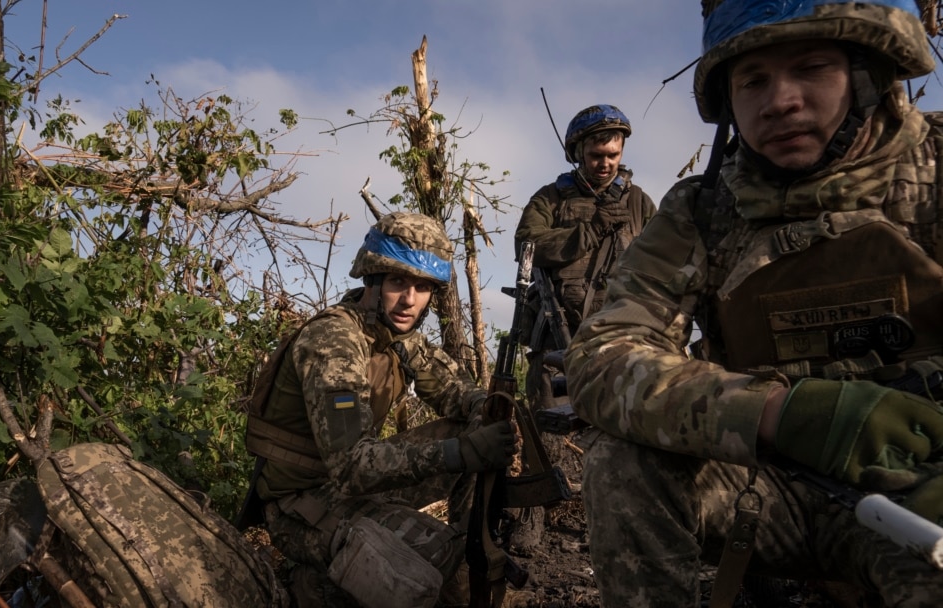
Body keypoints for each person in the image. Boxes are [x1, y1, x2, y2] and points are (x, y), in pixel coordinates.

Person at [565, 1, 943, 606]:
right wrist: (773, 413)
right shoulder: (702, 208)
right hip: (773, 486)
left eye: (813, 67)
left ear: (866, 72)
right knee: (622, 462)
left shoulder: (935, 171)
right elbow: (601, 356)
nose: (780, 101)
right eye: (753, 80)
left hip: (918, 495)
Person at [241, 212, 520, 608]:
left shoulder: (395, 335)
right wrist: (465, 452)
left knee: (456, 531)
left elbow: (458, 391)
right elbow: (353, 466)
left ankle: (458, 580)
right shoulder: (334, 342)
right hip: (299, 504)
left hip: (348, 485)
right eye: (398, 282)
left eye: (422, 287)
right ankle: (317, 587)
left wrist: (484, 411)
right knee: (425, 562)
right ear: (372, 280)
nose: (409, 300)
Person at [515, 104, 655, 418]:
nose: (605, 164)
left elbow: (664, 264)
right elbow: (525, 245)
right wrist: (588, 231)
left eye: (613, 155)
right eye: (596, 156)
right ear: (578, 152)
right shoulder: (550, 199)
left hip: (624, 342)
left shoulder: (639, 203)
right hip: (557, 340)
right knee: (553, 439)